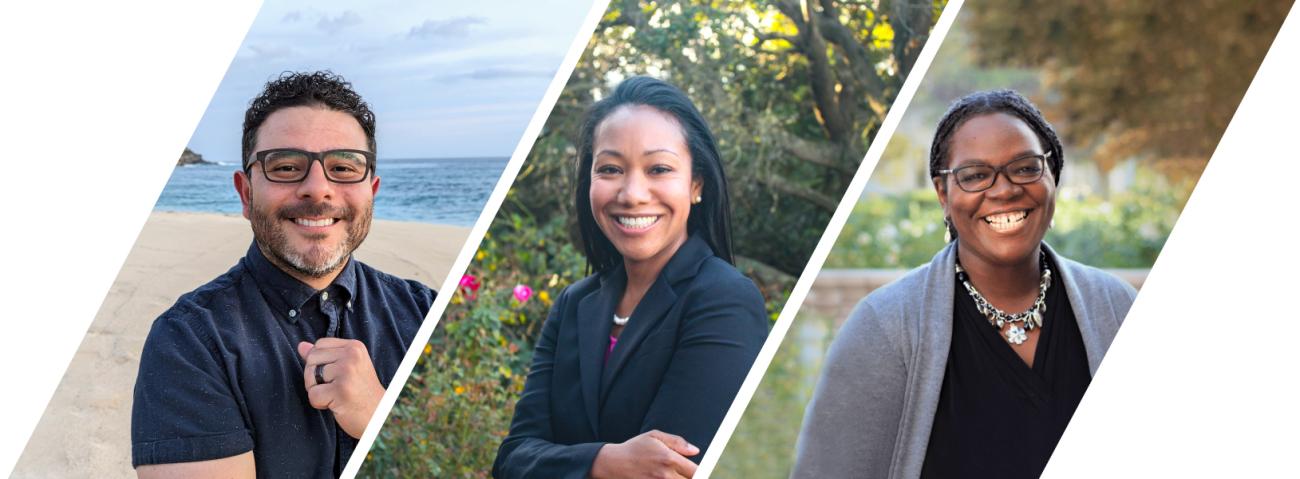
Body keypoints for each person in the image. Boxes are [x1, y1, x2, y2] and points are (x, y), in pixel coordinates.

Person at [792, 90, 1137, 478]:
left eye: (1025, 168)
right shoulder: (884, 329)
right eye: (975, 176)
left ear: (1052, 176)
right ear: (943, 194)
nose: (1004, 189)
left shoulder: (1117, 308)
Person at [131, 71, 434, 478]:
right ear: (246, 193)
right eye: (287, 166)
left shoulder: (427, 311)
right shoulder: (190, 340)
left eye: (343, 167)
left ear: (372, 193)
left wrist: (376, 416)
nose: (318, 189)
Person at [492, 76, 770, 479]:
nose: (632, 194)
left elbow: (671, 470)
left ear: (696, 184)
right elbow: (512, 458)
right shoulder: (574, 303)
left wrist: (559, 461)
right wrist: (605, 461)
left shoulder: (725, 300)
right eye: (610, 169)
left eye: (658, 169)